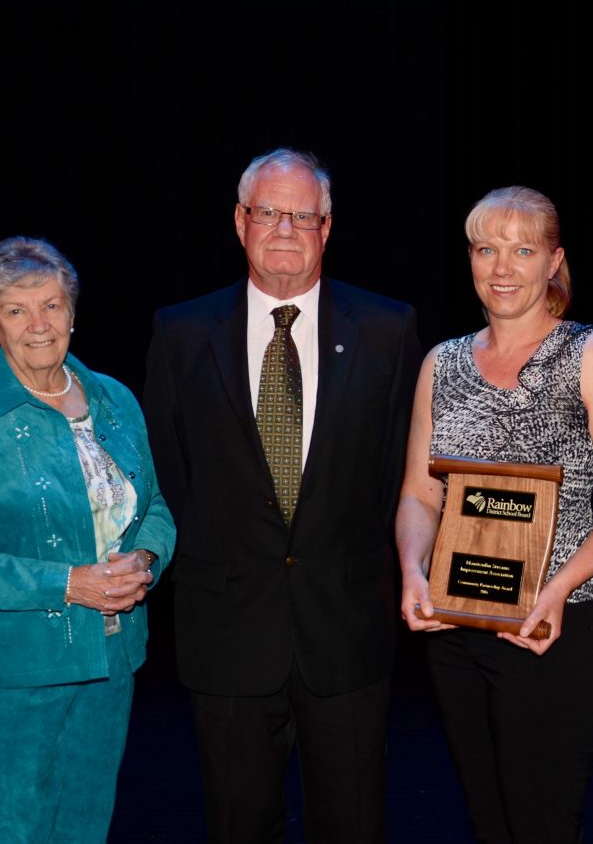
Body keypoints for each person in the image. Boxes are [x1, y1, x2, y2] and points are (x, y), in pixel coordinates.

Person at [142, 147, 422, 844]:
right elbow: (165, 471)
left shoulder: (390, 331)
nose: (286, 228)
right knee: (239, 826)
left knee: (354, 826)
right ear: (240, 222)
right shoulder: (178, 333)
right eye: (269, 212)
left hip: (347, 630)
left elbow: (404, 471)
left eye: (304, 215)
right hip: (227, 630)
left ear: (328, 228)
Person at [396, 186, 593, 844]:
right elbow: (418, 494)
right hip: (458, 627)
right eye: (487, 249)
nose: (502, 267)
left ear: (554, 261)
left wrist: (560, 587)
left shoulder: (590, 356)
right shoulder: (442, 362)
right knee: (489, 822)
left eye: (523, 249)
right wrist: (410, 568)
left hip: (556, 630)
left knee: (542, 825)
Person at [0, 236, 176, 843]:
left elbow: (154, 504)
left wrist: (145, 558)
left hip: (109, 659)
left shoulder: (114, 400)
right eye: (16, 310)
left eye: (52, 306)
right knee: (11, 830)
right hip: (9, 670)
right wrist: (70, 583)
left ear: (73, 314)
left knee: (83, 826)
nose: (38, 324)